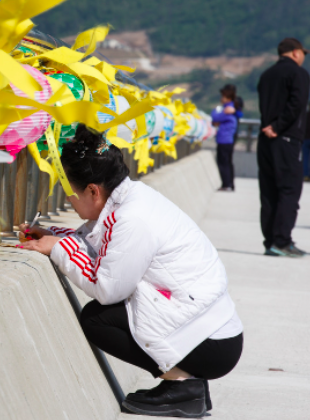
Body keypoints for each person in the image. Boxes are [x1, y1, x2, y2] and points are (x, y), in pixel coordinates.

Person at [17, 125, 243, 418]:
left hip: (210, 341)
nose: (68, 201)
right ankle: (184, 386)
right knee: (104, 314)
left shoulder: (132, 217)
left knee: (97, 320)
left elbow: (108, 288)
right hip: (210, 327)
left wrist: (59, 248)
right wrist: (56, 237)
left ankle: (184, 387)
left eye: (68, 193)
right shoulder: (131, 199)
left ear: (92, 190)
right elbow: (106, 246)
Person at [256, 37, 310, 257]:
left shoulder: (267, 74)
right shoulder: (298, 74)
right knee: (289, 190)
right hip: (286, 139)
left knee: (268, 192)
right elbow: (297, 104)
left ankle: (270, 241)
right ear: (296, 53)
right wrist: (278, 127)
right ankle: (282, 241)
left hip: (265, 140)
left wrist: (270, 127)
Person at [211, 85, 239, 191]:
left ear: (227, 97)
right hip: (228, 140)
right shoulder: (233, 107)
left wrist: (215, 110)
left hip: (224, 140)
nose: (221, 98)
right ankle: (229, 184)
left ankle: (226, 184)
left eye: (222, 96)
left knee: (223, 163)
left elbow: (215, 117)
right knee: (228, 162)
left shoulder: (227, 108)